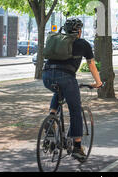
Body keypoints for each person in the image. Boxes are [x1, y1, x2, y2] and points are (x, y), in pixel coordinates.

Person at [42, 18, 103, 161]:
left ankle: (51, 120)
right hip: (66, 77)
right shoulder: (82, 44)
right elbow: (92, 65)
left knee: (59, 91)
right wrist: (98, 82)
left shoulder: (57, 40)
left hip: (46, 76)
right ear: (79, 31)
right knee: (75, 110)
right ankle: (77, 147)